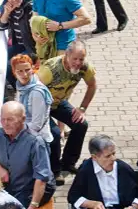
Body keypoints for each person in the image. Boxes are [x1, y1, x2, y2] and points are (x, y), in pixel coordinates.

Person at [37, 41, 96, 183]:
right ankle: (54, 170)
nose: (77, 63)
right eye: (74, 59)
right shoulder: (50, 70)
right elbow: (34, 90)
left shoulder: (85, 68)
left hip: (58, 102)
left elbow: (92, 85)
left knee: (81, 124)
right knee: (55, 133)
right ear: (66, 55)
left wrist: (82, 108)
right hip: (41, 105)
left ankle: (68, 163)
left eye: (81, 59)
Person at [0, 102, 55, 209]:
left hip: (30, 189)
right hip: (7, 185)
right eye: (3, 119)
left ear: (23, 119)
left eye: (10, 119)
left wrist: (32, 207)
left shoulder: (35, 142)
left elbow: (41, 179)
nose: (5, 123)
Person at [0, 0, 35, 85]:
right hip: (18, 44)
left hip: (31, 47)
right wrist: (7, 12)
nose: (13, 0)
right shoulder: (11, 6)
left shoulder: (30, 7)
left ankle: (22, 88)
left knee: (9, 66)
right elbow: (2, 26)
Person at [12, 54, 53, 143]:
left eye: (27, 70)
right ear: (14, 72)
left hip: (38, 140)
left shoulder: (36, 93)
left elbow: (36, 125)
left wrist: (14, 129)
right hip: (26, 133)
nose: (25, 74)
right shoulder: (21, 86)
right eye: (20, 71)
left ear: (32, 69)